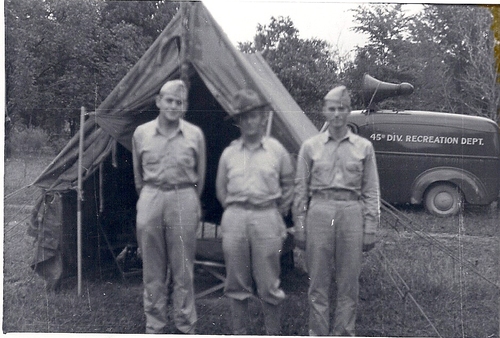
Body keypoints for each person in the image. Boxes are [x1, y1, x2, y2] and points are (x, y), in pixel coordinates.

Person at [292, 85, 380, 336]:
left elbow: (371, 190)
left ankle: (343, 333)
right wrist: (299, 225)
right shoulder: (310, 147)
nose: (337, 114)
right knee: (317, 284)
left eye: (342, 108)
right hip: (319, 210)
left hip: (351, 211)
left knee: (348, 285)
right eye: (332, 109)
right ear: (324, 112)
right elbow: (300, 188)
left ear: (349, 111)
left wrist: (370, 227)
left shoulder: (363, 148)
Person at [215, 88, 294, 335]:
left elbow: (289, 183)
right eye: (244, 117)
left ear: (263, 118)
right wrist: (233, 210)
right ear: (238, 121)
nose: (249, 121)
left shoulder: (276, 151)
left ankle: (272, 333)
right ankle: (240, 332)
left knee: (269, 283)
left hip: (267, 217)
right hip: (236, 218)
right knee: (236, 284)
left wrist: (278, 211)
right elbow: (220, 187)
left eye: (254, 116)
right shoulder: (229, 153)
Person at [132, 79, 206, 334]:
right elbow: (138, 177)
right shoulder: (141, 133)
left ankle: (186, 326)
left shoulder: (195, 135)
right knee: (152, 270)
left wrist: (191, 201)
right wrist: (149, 198)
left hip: (183, 196)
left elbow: (201, 175)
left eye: (180, 102)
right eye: (170, 100)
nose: (174, 106)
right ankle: (155, 325)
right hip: (151, 196)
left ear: (185, 107)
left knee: (183, 269)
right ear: (158, 101)